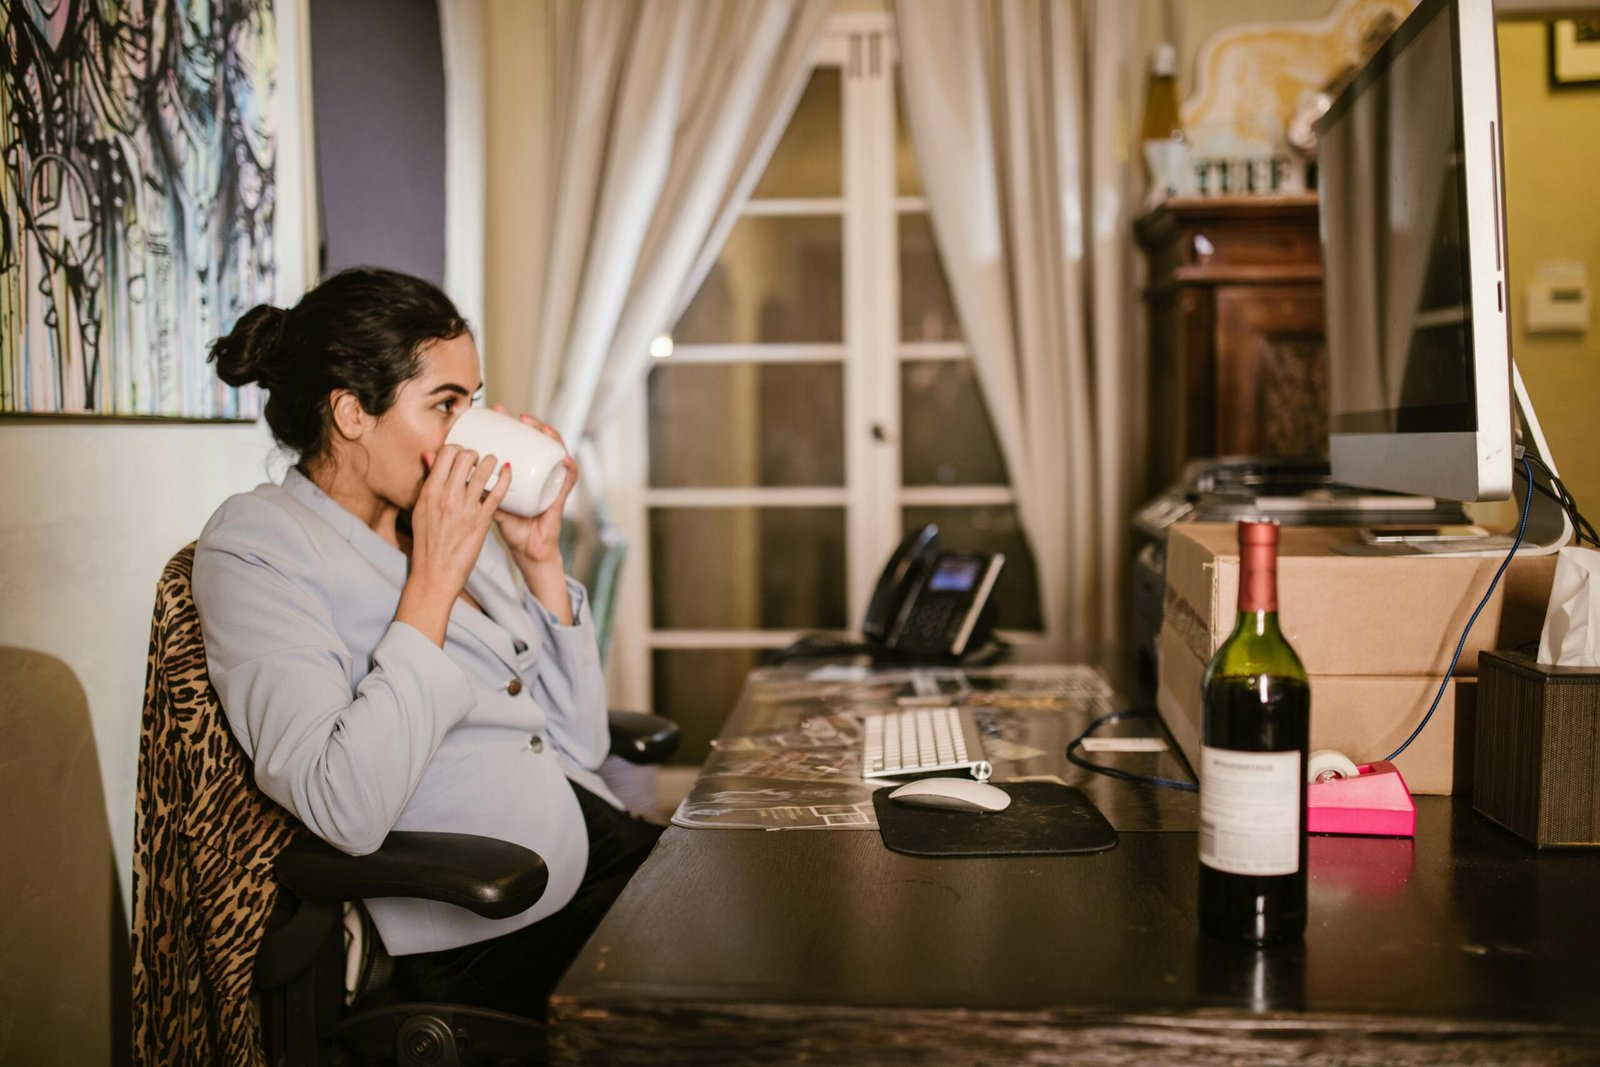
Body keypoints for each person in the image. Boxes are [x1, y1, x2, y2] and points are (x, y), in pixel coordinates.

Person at [193, 267, 662, 1016]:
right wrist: (433, 584)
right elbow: (342, 805)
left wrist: (539, 557)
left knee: (763, 906)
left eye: (470, 406)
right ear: (351, 412)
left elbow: (577, 736)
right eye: (444, 405)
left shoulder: (433, 516)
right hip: (488, 919)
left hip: (583, 835)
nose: (466, 437)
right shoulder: (259, 546)